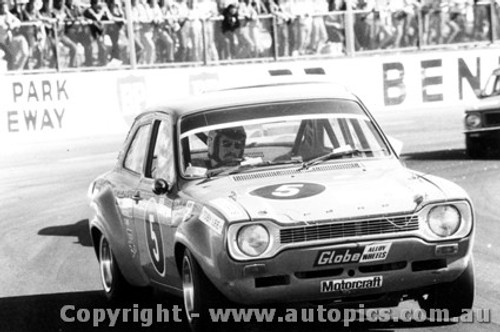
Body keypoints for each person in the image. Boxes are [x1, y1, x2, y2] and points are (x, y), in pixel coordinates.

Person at [0, 0, 29, 70]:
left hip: (10, 40)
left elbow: (18, 22)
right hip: (2, 42)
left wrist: (12, 25)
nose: (5, 9)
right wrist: (7, 26)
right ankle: (11, 71)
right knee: (10, 57)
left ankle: (18, 69)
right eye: (3, 8)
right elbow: (3, 26)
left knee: (22, 43)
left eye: (6, 7)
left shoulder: (8, 15)